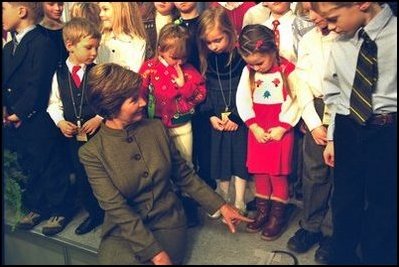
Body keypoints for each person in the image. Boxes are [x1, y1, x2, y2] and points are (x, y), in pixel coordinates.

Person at [79, 63, 253, 265]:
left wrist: (221, 205)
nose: (144, 102)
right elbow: (116, 208)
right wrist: (154, 253)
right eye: (134, 99)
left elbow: (184, 175)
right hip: (122, 229)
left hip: (167, 221)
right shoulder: (92, 153)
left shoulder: (156, 128)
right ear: (111, 107)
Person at [313, 2, 397, 264]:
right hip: (348, 129)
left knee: (383, 204)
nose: (329, 26)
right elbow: (335, 93)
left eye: (334, 18)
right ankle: (342, 255)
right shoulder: (340, 42)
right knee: (344, 200)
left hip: (387, 131)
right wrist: (332, 138)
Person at [3, 2, 75, 236]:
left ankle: (61, 208)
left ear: (21, 11)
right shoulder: (8, 47)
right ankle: (38, 206)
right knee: (29, 164)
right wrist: (5, 109)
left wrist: (19, 112)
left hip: (37, 116)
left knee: (49, 163)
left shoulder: (42, 43)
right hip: (15, 118)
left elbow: (39, 83)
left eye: (4, 8)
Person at [236, 24, 301, 241]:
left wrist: (282, 127)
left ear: (273, 51)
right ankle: (263, 211)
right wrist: (253, 126)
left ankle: (277, 215)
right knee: (260, 172)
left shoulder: (287, 71)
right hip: (258, 129)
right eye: (250, 64)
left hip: (279, 130)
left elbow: (295, 101)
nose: (256, 68)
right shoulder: (249, 72)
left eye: (260, 62)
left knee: (277, 173)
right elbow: (242, 99)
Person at [286, 7, 337, 264]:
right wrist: (314, 122)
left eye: (318, 12)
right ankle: (311, 225)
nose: (314, 19)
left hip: (343, 109)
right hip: (315, 108)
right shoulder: (309, 38)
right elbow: (300, 80)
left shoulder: (349, 34)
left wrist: (335, 133)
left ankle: (332, 231)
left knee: (340, 174)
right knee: (314, 173)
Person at [47, 17, 104, 236]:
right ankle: (94, 213)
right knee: (82, 174)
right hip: (73, 137)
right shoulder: (59, 73)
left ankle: (111, 213)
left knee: (103, 173)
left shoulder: (98, 72)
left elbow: (108, 101)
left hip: (98, 134)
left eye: (96, 47)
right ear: (70, 46)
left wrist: (99, 117)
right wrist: (60, 122)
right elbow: (54, 103)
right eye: (88, 47)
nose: (94, 53)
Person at [197, 6, 250, 217]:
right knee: (219, 156)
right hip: (217, 114)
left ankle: (240, 200)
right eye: (208, 42)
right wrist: (210, 114)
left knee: (239, 156)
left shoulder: (241, 58)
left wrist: (238, 116)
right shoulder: (207, 59)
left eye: (217, 40)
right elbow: (204, 91)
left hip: (239, 115)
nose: (213, 46)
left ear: (229, 33)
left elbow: (249, 90)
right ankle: (223, 199)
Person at [96, 2, 148, 72]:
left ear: (122, 11)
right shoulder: (100, 40)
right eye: (100, 10)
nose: (101, 14)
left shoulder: (138, 43)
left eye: (105, 9)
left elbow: (133, 74)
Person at [37, 2, 68, 67]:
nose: (57, 8)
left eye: (60, 4)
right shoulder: (36, 31)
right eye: (51, 4)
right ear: (42, 5)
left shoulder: (69, 28)